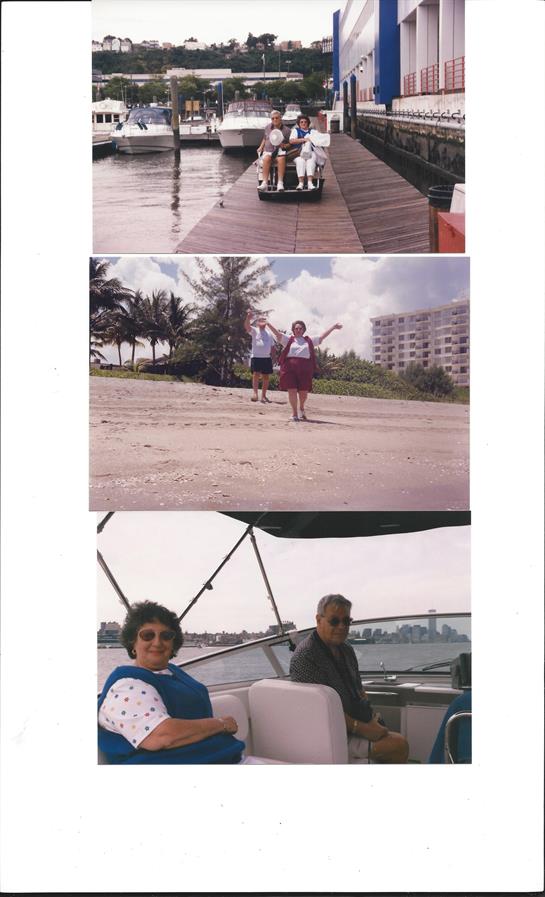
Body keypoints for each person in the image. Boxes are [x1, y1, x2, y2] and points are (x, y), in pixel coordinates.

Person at [98, 601, 256, 764]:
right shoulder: (126, 686)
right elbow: (162, 736)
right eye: (148, 635)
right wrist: (221, 724)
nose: (158, 642)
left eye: (166, 636)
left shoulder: (171, 671)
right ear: (133, 642)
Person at [290, 594, 410, 763]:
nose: (341, 627)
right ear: (318, 620)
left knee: (390, 736)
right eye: (334, 621)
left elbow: (358, 690)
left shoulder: (346, 649)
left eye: (346, 621)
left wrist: (372, 716)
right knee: (399, 745)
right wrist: (363, 729)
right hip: (329, 736)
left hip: (354, 726)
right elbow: (319, 712)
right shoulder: (306, 656)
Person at [266, 319, 342, 421]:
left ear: (303, 330)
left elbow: (322, 336)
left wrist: (333, 327)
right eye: (296, 328)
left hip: (305, 369)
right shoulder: (288, 339)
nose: (298, 330)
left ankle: (301, 407)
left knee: (303, 393)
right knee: (291, 390)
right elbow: (277, 334)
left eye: (300, 328)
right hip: (289, 369)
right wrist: (268, 324)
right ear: (293, 330)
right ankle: (294, 413)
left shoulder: (309, 340)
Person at [244, 310, 276, 403]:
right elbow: (247, 326)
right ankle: (255, 394)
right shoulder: (254, 330)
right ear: (257, 322)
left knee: (266, 377)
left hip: (266, 358)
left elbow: (273, 347)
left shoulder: (269, 334)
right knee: (256, 375)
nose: (262, 321)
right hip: (256, 356)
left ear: (266, 322)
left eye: (264, 320)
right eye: (260, 320)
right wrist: (248, 317)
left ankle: (264, 395)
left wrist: (274, 358)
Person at [256, 110, 291, 192]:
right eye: (273, 118)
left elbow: (290, 143)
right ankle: (264, 183)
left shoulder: (287, 130)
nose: (275, 120)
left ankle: (280, 183)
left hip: (280, 151)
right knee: (266, 158)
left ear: (280, 118)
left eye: (276, 118)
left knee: (281, 158)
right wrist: (261, 147)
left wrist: (285, 145)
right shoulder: (268, 127)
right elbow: (265, 138)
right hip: (268, 151)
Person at [289, 113, 317, 190]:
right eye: (301, 122)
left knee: (310, 161)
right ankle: (300, 183)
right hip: (298, 153)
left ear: (308, 123)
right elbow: (291, 141)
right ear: (299, 124)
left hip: (311, 152)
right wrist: (304, 139)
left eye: (305, 122)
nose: (303, 123)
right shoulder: (295, 130)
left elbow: (317, 141)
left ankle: (310, 183)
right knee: (301, 161)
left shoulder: (312, 131)